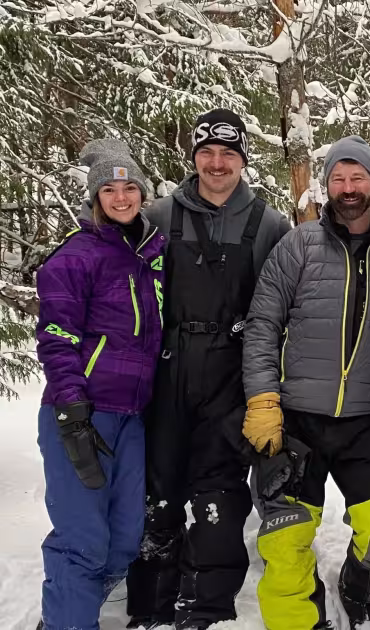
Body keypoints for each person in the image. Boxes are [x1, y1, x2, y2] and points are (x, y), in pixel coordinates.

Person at [125, 109, 291, 630]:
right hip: (167, 368)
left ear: (242, 160)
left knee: (218, 492)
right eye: (207, 153)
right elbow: (112, 270)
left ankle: (208, 607)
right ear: (194, 156)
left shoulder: (268, 223)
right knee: (161, 488)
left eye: (228, 154)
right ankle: (152, 603)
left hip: (231, 373)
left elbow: (288, 304)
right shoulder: (157, 214)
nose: (217, 164)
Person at [242, 135, 370, 630]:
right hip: (296, 422)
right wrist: (263, 399)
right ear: (327, 186)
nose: (348, 187)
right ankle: (299, 621)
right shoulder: (298, 245)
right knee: (284, 541)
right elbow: (262, 326)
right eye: (338, 177)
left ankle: (360, 596)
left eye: (357, 177)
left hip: (364, 423)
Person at [35, 139, 165, 630]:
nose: (121, 196)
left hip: (131, 415)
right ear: (96, 197)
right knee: (83, 538)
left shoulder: (150, 254)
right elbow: (56, 335)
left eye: (129, 186)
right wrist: (70, 405)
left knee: (126, 538)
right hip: (80, 412)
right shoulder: (77, 254)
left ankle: (71, 611)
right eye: (109, 188)